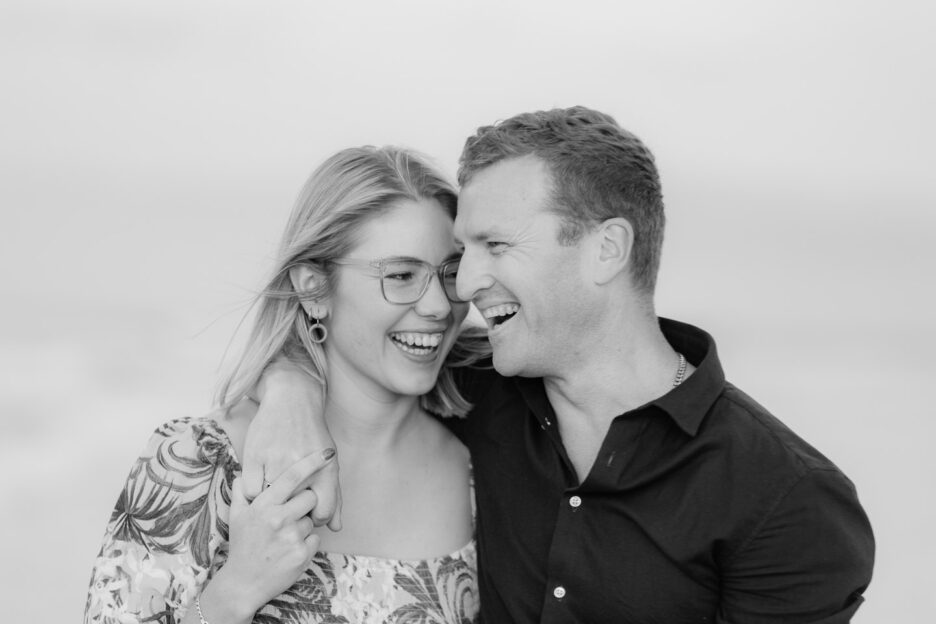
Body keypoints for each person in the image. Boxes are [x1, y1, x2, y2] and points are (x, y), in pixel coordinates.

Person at [246, 107, 876, 623]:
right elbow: (357, 343)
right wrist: (290, 394)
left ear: (606, 250)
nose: (462, 285)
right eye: (464, 251)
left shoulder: (787, 501)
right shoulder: (474, 389)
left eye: (495, 245)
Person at [83, 146, 488, 624]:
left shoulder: (479, 465)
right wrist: (237, 590)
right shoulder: (198, 461)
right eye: (401, 276)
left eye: (451, 272)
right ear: (313, 289)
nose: (440, 306)